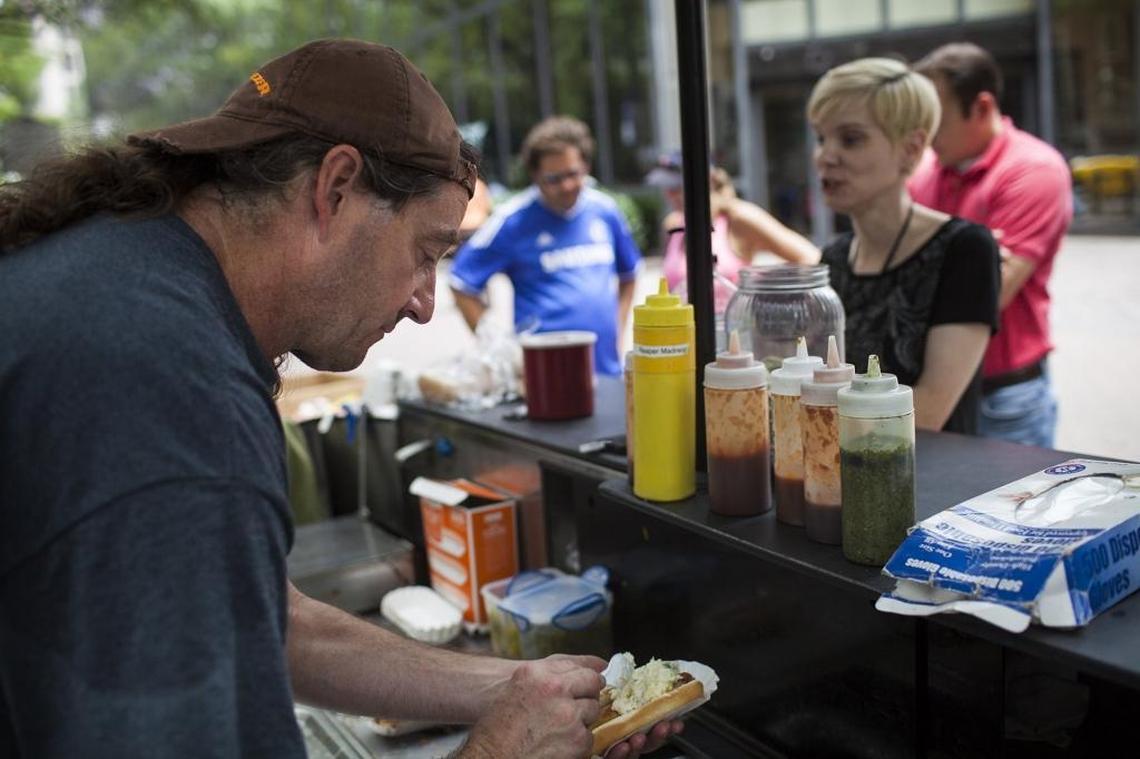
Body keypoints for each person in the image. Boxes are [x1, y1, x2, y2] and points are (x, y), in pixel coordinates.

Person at [0, 40, 679, 759]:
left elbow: (269, 619)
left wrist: (509, 686)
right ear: (337, 188)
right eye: (426, 251)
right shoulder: (176, 403)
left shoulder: (132, 278)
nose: (425, 304)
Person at [808, 57, 1001, 433]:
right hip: (840, 478)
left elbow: (927, 412)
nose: (825, 156)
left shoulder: (964, 250)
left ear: (911, 149)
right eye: (820, 137)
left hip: (935, 483)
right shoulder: (833, 259)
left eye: (850, 138)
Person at [911, 42, 1073, 447]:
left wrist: (924, 269)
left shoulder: (1033, 170)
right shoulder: (929, 172)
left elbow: (990, 293)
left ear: (982, 108)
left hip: (1003, 399)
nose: (923, 135)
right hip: (933, 390)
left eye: (936, 119)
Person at [449, 116, 641, 377]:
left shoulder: (606, 211)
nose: (566, 186)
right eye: (554, 178)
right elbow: (461, 283)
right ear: (535, 175)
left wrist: (618, 330)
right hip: (544, 380)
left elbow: (629, 274)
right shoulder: (513, 220)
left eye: (573, 174)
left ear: (586, 165)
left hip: (606, 371)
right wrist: (500, 350)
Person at [646, 150, 819, 311]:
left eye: (676, 187)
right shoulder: (673, 224)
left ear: (709, 181)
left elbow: (811, 258)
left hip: (734, 337)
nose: (669, 195)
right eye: (666, 187)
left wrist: (772, 300)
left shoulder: (737, 217)